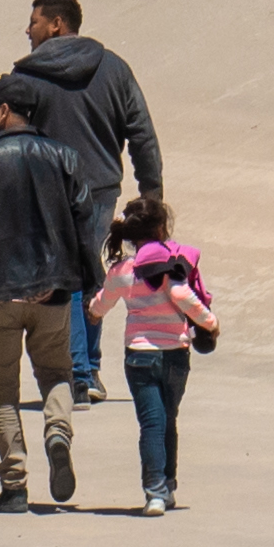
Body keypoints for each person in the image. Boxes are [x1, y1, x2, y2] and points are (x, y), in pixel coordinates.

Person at [0, 82, 102, 511]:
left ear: (6, 109)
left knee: (2, 392)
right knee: (56, 374)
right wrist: (92, 283)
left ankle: (14, 484)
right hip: (53, 295)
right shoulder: (65, 157)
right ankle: (57, 432)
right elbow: (84, 227)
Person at [0, 0, 170, 373]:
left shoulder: (26, 76)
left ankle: (76, 370)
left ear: (57, 24)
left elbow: (8, 136)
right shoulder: (114, 68)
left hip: (45, 192)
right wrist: (151, 193)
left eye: (35, 22)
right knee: (88, 273)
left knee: (62, 277)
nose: (28, 30)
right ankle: (87, 369)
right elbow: (141, 133)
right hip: (100, 189)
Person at [89, 196, 219, 513]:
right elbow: (181, 295)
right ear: (161, 228)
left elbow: (100, 305)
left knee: (151, 424)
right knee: (167, 420)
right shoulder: (172, 265)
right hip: (175, 352)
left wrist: (92, 313)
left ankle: (156, 492)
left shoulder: (122, 271)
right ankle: (168, 486)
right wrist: (210, 323)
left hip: (139, 355)